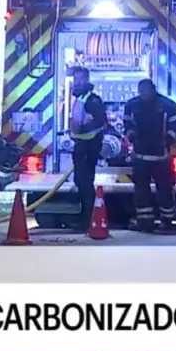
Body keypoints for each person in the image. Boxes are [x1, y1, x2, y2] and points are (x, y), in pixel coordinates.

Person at [124, 79, 176, 233]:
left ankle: (167, 221)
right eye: (141, 91)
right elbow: (127, 122)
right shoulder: (132, 105)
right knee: (141, 191)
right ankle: (145, 222)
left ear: (153, 89)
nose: (144, 94)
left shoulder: (167, 106)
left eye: (146, 90)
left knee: (164, 189)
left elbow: (175, 125)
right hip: (141, 155)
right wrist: (131, 134)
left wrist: (167, 140)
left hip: (160, 156)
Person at [67, 67, 106, 231]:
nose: (77, 83)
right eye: (75, 80)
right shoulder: (81, 99)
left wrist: (82, 129)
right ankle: (85, 217)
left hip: (88, 146)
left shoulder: (92, 100)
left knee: (85, 183)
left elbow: (100, 121)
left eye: (80, 80)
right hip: (82, 145)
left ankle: (87, 220)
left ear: (87, 80)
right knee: (81, 182)